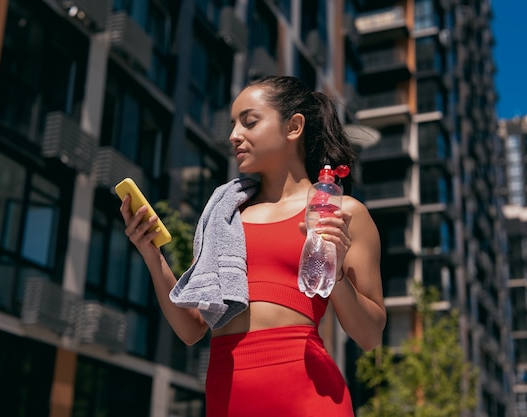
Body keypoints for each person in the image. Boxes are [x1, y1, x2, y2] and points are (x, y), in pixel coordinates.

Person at [120, 75, 385, 417]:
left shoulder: (341, 212)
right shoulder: (225, 216)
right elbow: (191, 329)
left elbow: (369, 336)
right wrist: (150, 253)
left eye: (250, 121)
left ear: (294, 127)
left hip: (307, 393)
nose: (234, 136)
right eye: (233, 125)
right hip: (226, 392)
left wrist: (333, 273)